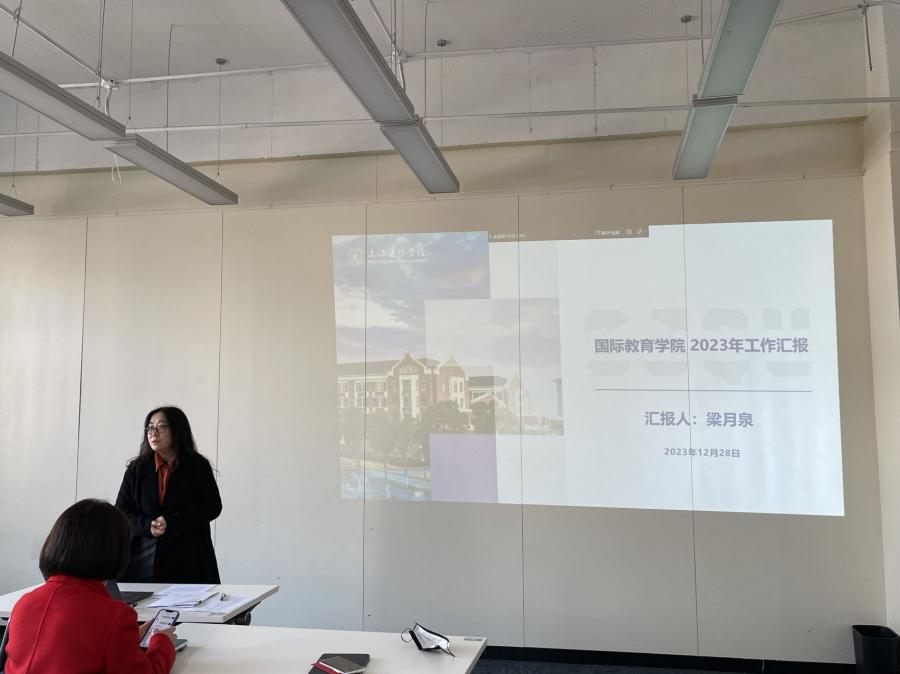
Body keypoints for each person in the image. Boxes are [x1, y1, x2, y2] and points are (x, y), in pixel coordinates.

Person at [4, 499, 176, 674]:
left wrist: (127, 638)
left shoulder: (23, 604)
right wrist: (162, 642)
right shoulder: (114, 616)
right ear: (116, 550)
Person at [116, 406, 222, 584]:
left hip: (189, 558)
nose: (153, 432)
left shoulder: (198, 466)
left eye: (161, 426)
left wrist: (172, 521)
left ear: (177, 430)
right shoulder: (137, 469)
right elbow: (121, 510)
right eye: (150, 427)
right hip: (143, 558)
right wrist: (147, 526)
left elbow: (212, 507)